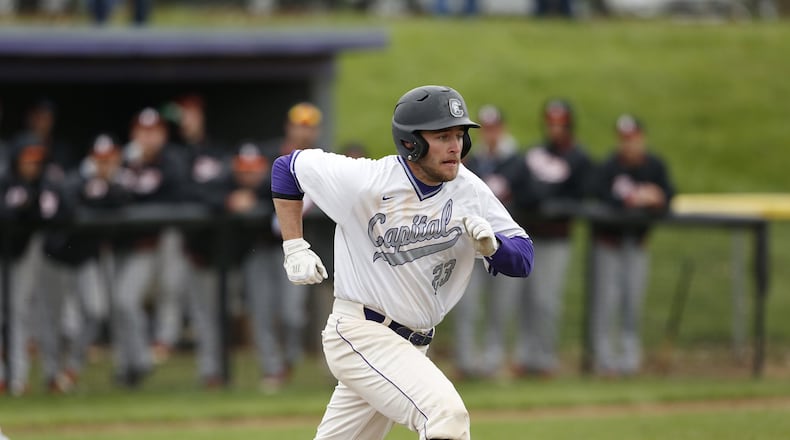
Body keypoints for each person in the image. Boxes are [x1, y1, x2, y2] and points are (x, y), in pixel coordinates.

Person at [270, 85, 534, 439]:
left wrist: (493, 246)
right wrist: (295, 245)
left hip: (410, 346)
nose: (455, 145)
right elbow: (287, 168)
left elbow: (523, 258)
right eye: (442, 136)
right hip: (362, 333)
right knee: (446, 417)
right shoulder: (367, 180)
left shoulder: (470, 190)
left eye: (459, 134)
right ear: (411, 142)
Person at [507, 98, 593, 378]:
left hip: (556, 239)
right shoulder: (535, 153)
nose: (555, 128)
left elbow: (576, 194)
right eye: (551, 122)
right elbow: (521, 187)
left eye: (560, 123)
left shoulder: (578, 157)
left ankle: (545, 359)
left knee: (546, 300)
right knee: (525, 299)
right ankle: (525, 355)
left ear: (569, 125)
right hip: (528, 235)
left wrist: (545, 196)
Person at [38, 134, 127, 393]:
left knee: (96, 312)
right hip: (56, 258)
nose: (106, 164)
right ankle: (52, 375)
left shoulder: (117, 182)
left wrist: (104, 190)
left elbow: (123, 199)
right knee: (54, 322)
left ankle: (71, 369)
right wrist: (95, 192)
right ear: (92, 158)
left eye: (111, 159)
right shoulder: (75, 178)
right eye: (101, 159)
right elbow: (67, 202)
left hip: (85, 258)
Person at [590, 114, 675, 377]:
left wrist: (656, 198)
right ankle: (605, 361)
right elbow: (599, 195)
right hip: (609, 243)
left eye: (633, 138)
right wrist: (635, 198)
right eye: (624, 139)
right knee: (607, 302)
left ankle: (629, 361)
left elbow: (669, 196)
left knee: (632, 302)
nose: (629, 144)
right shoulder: (609, 166)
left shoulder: (654, 166)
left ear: (641, 138)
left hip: (637, 243)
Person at [249, 102, 324, 393]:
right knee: (263, 309)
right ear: (288, 127)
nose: (304, 132)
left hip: (300, 246)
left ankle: (289, 358)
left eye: (309, 126)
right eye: (299, 125)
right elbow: (250, 186)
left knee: (293, 313)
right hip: (263, 245)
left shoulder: (321, 160)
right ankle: (273, 368)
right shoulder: (270, 155)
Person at [110, 108, 184, 388]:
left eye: (154, 131)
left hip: (155, 244)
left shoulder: (171, 162)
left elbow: (175, 193)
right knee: (117, 306)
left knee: (127, 300)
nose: (148, 137)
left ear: (163, 134)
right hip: (119, 244)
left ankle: (141, 358)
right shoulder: (123, 162)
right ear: (134, 134)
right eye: (143, 131)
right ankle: (127, 365)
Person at [452, 104, 522, 379]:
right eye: (486, 128)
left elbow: (528, 196)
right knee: (467, 303)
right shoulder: (473, 160)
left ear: (502, 129)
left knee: (500, 305)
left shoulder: (517, 161)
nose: (491, 134)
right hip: (471, 243)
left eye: (495, 128)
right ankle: (467, 361)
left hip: (502, 241)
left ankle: (493, 361)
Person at [0, 135, 66, 396]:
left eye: (36, 159)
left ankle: (17, 378)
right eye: (27, 158)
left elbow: (61, 213)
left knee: (20, 312)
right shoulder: (6, 182)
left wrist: (31, 207)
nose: (32, 164)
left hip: (29, 252)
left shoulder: (46, 184)